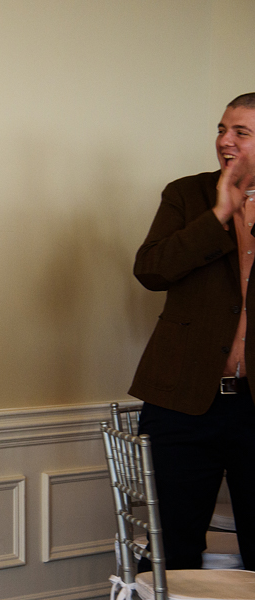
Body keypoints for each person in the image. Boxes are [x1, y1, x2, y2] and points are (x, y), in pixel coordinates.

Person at [130, 93, 255, 571]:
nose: (225, 141)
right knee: (171, 550)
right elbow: (152, 270)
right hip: (182, 403)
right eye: (222, 129)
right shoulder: (186, 195)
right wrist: (219, 216)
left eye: (240, 133)